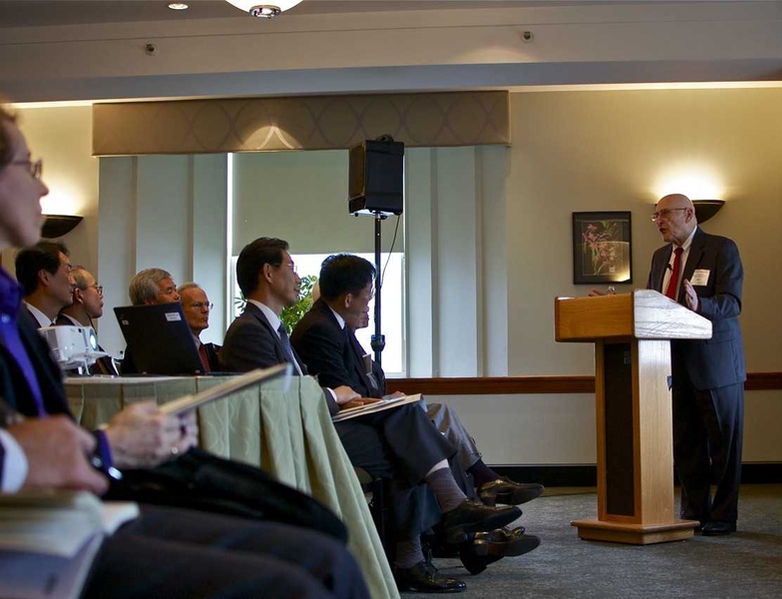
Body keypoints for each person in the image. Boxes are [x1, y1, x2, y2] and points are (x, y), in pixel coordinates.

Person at [0, 103, 370, 599]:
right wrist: (101, 446)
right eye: (30, 167)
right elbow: (31, 447)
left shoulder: (6, 306)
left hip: (72, 506)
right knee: (304, 575)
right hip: (38, 535)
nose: (43, 188)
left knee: (322, 537)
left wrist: (107, 444)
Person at [220, 237, 522, 593]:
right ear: (267, 273)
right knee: (407, 440)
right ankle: (440, 530)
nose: (299, 278)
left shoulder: (273, 328)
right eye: (292, 267)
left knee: (407, 432)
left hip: (315, 424)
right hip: (296, 436)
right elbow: (275, 401)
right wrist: (336, 395)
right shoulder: (249, 332)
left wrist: (352, 398)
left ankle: (429, 542)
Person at [295, 256, 542, 574]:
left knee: (427, 426)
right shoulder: (321, 330)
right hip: (339, 427)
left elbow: (353, 390)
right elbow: (341, 396)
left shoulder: (336, 327)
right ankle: (467, 523)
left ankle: (471, 524)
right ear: (348, 298)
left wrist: (386, 400)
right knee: (416, 442)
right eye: (368, 297)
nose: (369, 305)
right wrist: (387, 403)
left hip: (354, 419)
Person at [647, 193, 745, 536]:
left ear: (689, 214)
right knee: (685, 445)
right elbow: (653, 306)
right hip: (672, 366)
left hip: (716, 364)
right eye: (655, 215)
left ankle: (724, 516)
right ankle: (694, 512)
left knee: (724, 446)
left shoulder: (721, 248)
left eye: (664, 214)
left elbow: (732, 303)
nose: (659, 221)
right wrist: (625, 306)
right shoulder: (661, 257)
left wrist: (698, 304)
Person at [53, 265, 118, 375]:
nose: (100, 295)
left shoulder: (85, 335)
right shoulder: (63, 338)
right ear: (79, 295)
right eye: (96, 288)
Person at [14, 240, 74, 329]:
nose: (73, 282)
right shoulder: (15, 329)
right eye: (68, 271)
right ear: (45, 277)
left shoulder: (61, 331)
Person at [178, 282, 221, 372]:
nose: (205, 310)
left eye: (207, 305)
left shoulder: (209, 352)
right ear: (179, 309)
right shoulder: (176, 350)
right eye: (197, 305)